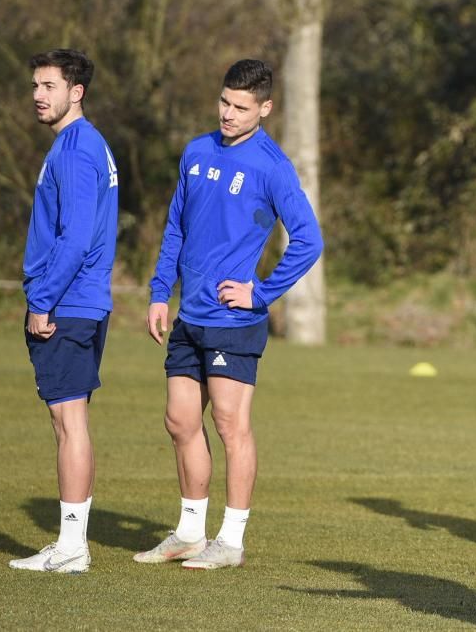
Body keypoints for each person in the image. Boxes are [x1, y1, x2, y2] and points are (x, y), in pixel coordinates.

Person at [134, 59, 323, 570]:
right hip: (188, 316)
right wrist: (158, 292)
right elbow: (175, 226)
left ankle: (231, 540)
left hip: (233, 322)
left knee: (229, 423)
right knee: (179, 421)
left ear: (265, 108)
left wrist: (260, 293)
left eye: (241, 107)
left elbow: (309, 241)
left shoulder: (272, 166)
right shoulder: (196, 151)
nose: (229, 114)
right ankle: (190, 533)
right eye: (224, 102)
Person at [10, 49, 119, 574]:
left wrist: (42, 299)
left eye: (48, 86)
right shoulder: (84, 144)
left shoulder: (76, 149)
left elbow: (74, 237)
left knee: (68, 422)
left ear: (76, 92)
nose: (37, 94)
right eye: (35, 85)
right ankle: (72, 542)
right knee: (72, 422)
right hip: (83, 301)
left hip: (68, 302)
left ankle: (73, 548)